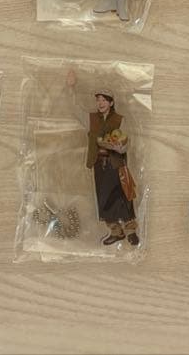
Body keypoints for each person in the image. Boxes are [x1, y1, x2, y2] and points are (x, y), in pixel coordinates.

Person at [68, 69, 139, 247]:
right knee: (104, 197)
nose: (100, 103)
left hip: (117, 163)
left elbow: (127, 141)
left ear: (111, 102)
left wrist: (120, 147)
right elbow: (75, 109)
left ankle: (131, 231)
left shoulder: (120, 120)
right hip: (100, 164)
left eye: (104, 100)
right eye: (98, 100)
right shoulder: (91, 119)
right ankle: (116, 231)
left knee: (123, 196)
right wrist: (71, 88)